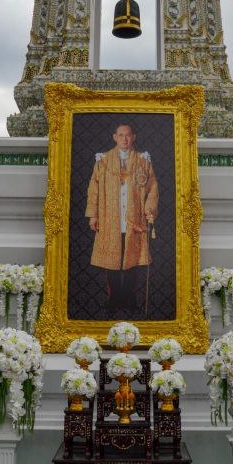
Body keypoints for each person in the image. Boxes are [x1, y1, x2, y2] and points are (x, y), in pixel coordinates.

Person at [86, 121, 158, 318]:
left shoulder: (144, 161)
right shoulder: (103, 161)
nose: (124, 139)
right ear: (114, 137)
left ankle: (130, 298)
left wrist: (149, 210)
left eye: (128, 135)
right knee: (113, 262)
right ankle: (114, 297)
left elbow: (152, 189)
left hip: (134, 219)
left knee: (132, 261)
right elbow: (93, 190)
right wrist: (94, 214)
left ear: (133, 137)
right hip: (110, 218)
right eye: (121, 135)